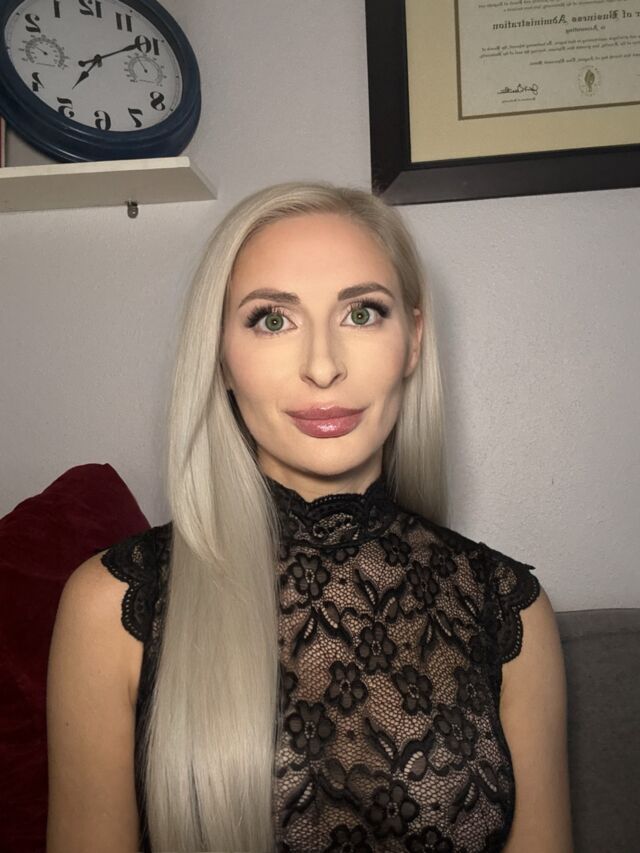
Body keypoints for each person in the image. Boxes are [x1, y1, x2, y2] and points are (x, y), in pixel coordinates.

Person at [45, 182, 573, 853]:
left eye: (362, 313)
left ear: (413, 341)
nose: (323, 367)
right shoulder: (113, 607)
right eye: (272, 320)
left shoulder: (510, 610)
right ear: (220, 356)